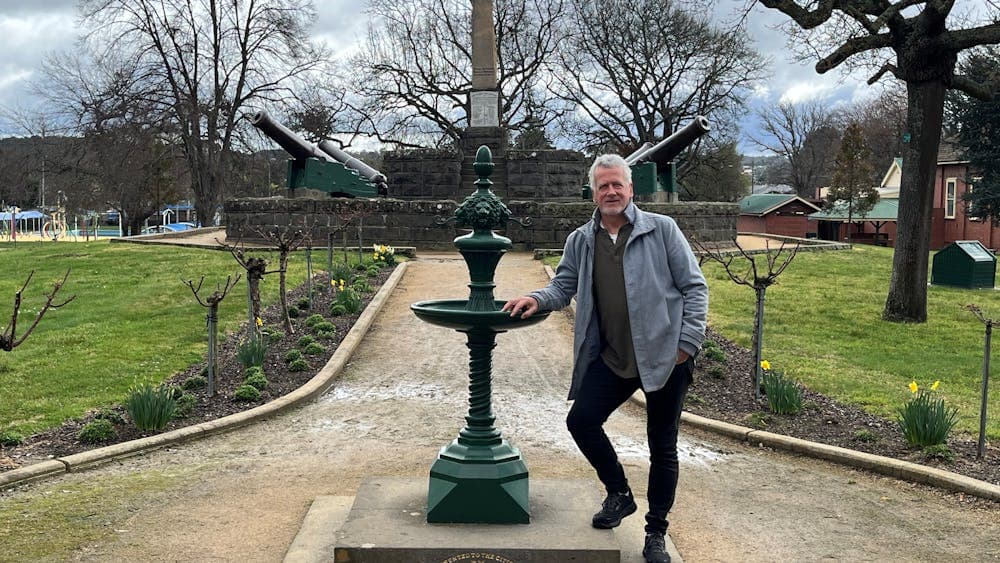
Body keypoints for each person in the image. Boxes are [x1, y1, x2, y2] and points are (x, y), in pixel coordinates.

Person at [502, 154, 708, 563]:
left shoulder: (662, 230)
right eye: (603, 187)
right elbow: (563, 285)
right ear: (593, 194)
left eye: (617, 185)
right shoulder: (581, 239)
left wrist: (686, 344)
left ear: (631, 189)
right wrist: (536, 298)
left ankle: (655, 532)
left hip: (666, 359)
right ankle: (619, 492)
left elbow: (694, 288)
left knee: (661, 447)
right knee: (581, 421)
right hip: (613, 358)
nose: (611, 192)